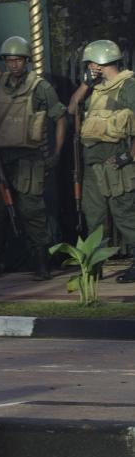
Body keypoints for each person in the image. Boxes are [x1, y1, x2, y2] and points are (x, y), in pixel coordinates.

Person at [0, 36, 66, 281]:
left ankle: (41, 262)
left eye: (18, 60)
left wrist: (55, 153)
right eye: (9, 60)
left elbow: (61, 118)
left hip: (28, 158)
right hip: (0, 159)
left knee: (31, 210)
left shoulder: (40, 87)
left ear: (26, 60)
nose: (13, 65)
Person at [76, 40, 135, 283]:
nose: (88, 67)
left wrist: (129, 156)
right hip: (93, 163)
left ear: (99, 62)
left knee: (125, 214)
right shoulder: (96, 89)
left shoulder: (128, 86)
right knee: (94, 215)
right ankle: (94, 266)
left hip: (116, 161)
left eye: (90, 63)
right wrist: (85, 84)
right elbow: (72, 108)